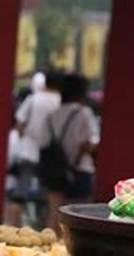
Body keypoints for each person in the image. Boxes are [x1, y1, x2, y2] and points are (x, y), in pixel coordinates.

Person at [41, 74, 100, 233]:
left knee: (54, 215)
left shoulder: (52, 116)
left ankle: (49, 249)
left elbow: (44, 143)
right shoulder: (84, 113)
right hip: (79, 170)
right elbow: (89, 143)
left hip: (54, 171)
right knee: (76, 219)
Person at [5, 71, 62, 226]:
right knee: (51, 197)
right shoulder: (60, 101)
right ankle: (48, 232)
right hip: (51, 155)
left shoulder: (33, 99)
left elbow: (19, 124)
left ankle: (14, 228)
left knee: (21, 191)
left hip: (28, 152)